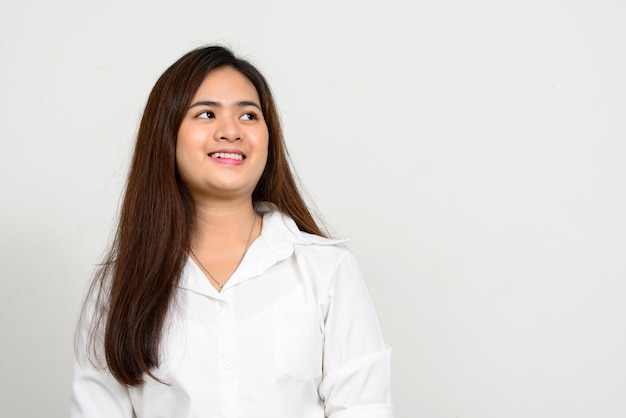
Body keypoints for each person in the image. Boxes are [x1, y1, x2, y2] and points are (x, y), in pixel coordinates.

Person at [70, 45, 393, 418]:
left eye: (249, 115)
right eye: (206, 113)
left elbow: (364, 408)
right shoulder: (118, 285)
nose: (231, 131)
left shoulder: (327, 269)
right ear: (166, 135)